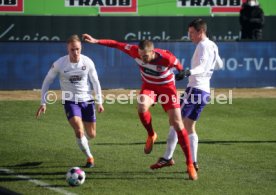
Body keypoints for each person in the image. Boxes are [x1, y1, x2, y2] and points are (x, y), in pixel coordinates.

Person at [82, 33, 198, 180]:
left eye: (146, 56)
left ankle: (189, 164)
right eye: (141, 55)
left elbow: (179, 67)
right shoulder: (134, 50)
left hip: (167, 89)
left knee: (177, 124)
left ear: (153, 52)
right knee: (141, 106)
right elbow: (115, 44)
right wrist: (96, 40)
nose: (142, 58)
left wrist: (181, 73)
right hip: (149, 86)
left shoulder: (166, 57)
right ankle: (151, 134)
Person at [150, 18, 223, 172]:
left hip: (195, 89)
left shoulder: (203, 45)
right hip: (204, 91)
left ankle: (167, 157)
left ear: (200, 31)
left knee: (175, 122)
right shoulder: (212, 45)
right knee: (189, 127)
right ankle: (194, 162)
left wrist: (188, 72)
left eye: (191, 33)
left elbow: (202, 67)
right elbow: (219, 64)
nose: (189, 36)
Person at [36, 35, 104, 168]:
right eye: (72, 49)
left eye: (77, 49)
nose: (75, 52)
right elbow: (47, 81)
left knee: (91, 134)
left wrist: (99, 101)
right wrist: (43, 102)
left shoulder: (88, 62)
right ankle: (90, 157)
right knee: (79, 131)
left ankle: (83, 141)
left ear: (81, 48)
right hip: (70, 101)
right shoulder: (59, 64)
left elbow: (95, 82)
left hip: (87, 101)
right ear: (68, 49)